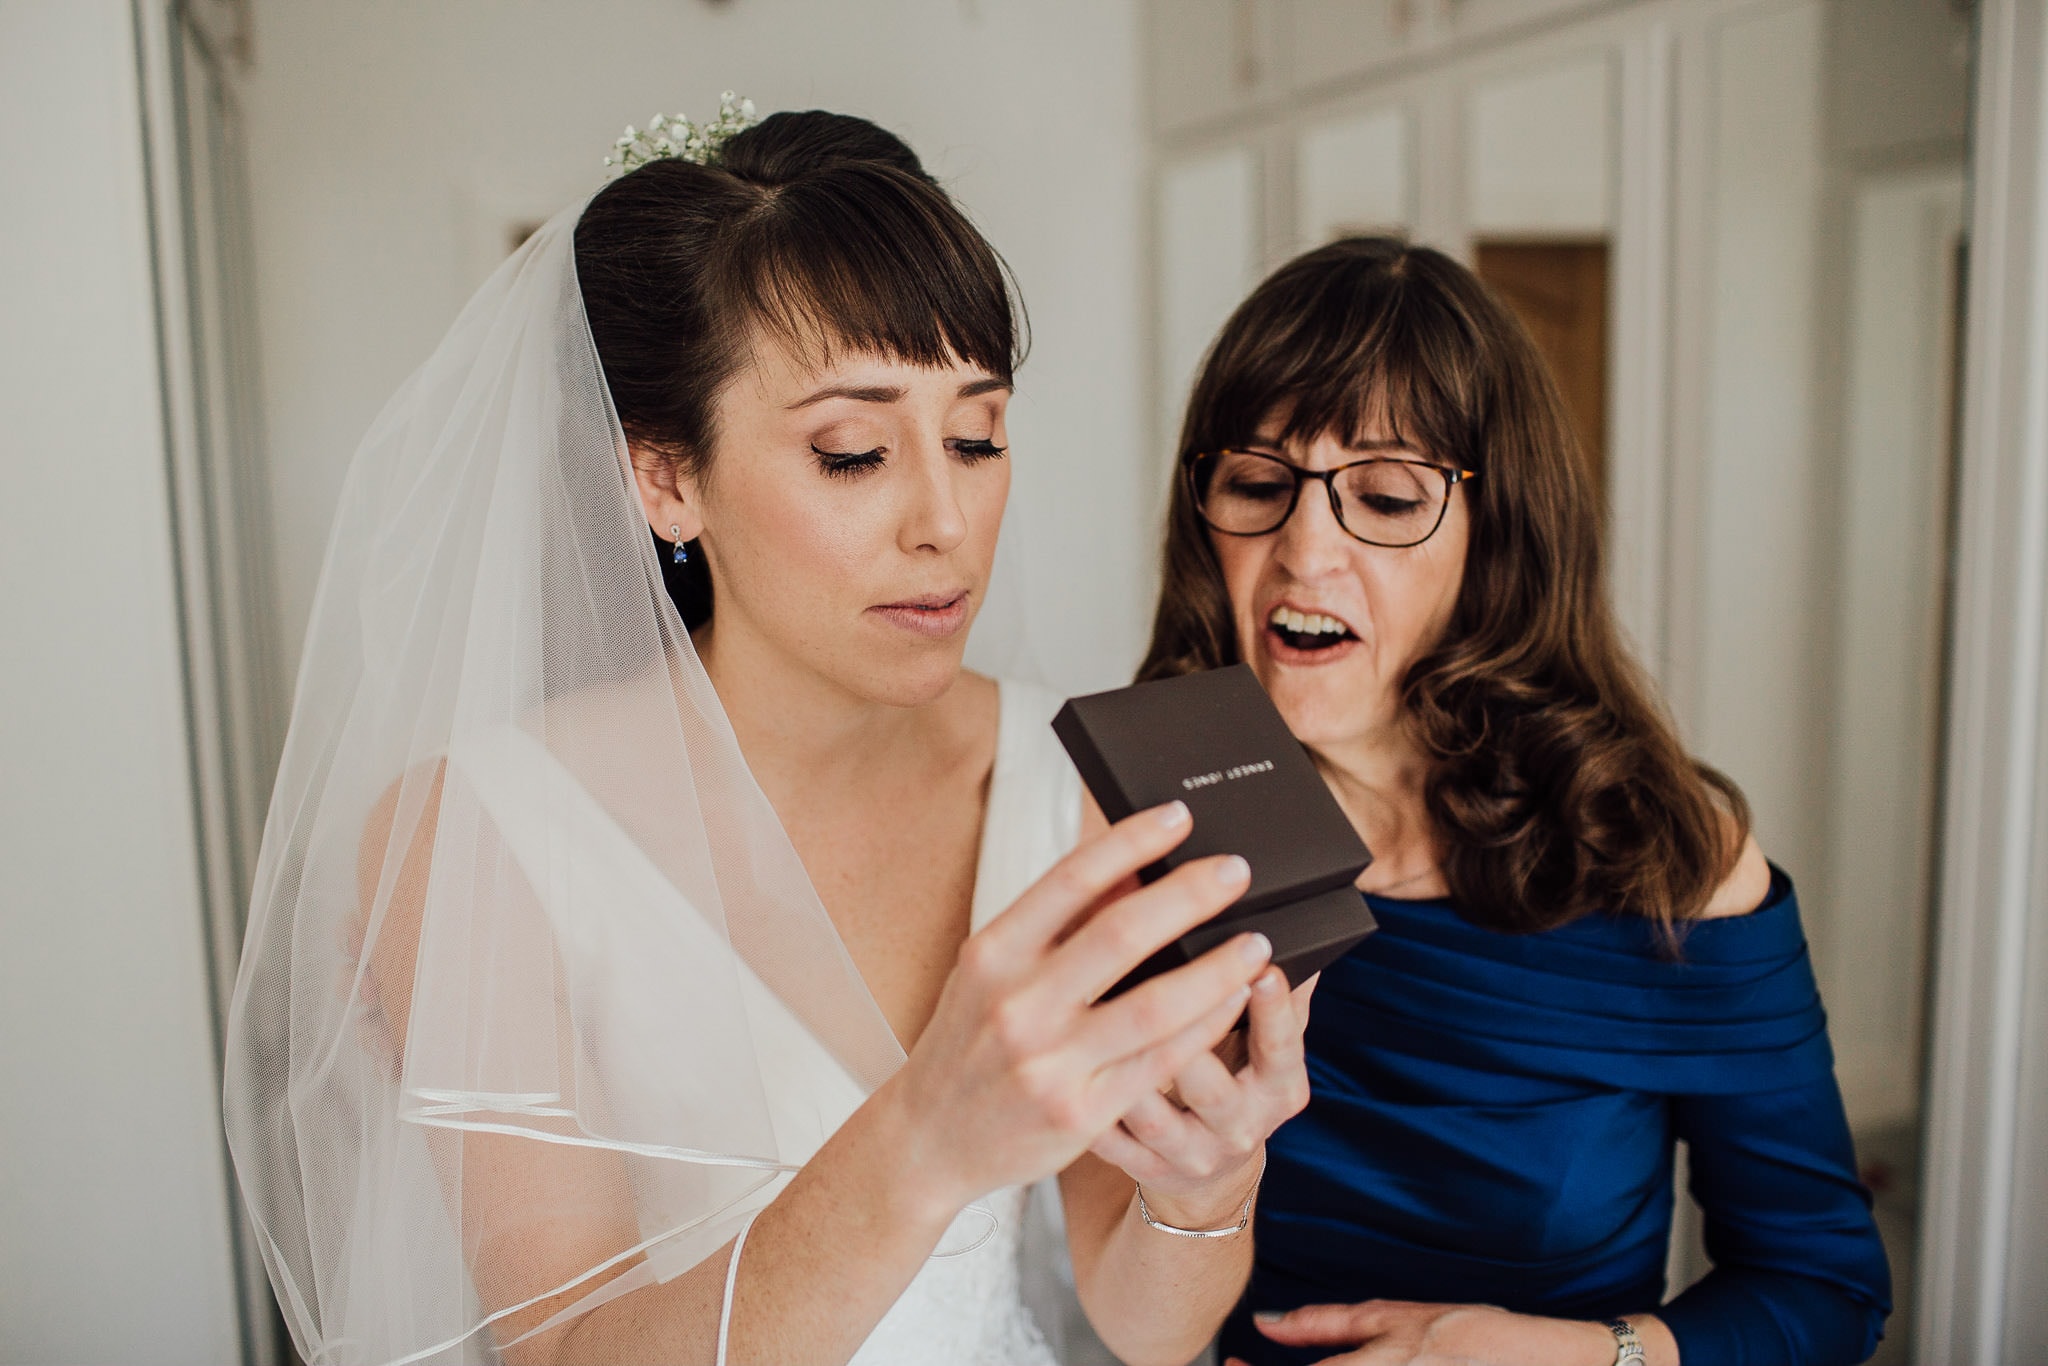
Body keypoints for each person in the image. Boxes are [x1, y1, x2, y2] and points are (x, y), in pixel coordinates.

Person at [223, 104, 1313, 1366]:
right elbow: (560, 1352)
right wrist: (920, 1140)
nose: (945, 520)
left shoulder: (1061, 774)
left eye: (976, 436)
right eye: (851, 453)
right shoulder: (479, 834)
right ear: (665, 477)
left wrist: (1205, 1180)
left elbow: (1145, 1326)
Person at [1137, 236, 1892, 1366]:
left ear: (1499, 538)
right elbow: (1114, 1291)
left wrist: (1577, 1357)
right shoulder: (1151, 830)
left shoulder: (1670, 861)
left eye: (1384, 496)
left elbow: (1821, 1288)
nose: (1302, 549)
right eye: (1257, 483)